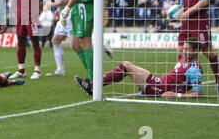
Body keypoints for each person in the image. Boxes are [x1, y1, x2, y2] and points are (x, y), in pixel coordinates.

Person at [74, 37, 203, 98]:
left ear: (196, 50)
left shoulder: (195, 69)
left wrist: (176, 95)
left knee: (126, 66)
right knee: (126, 66)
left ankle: (92, 86)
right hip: (159, 82)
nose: (183, 51)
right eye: (184, 48)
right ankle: (94, 85)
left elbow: (198, 94)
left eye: (187, 49)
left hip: (159, 89)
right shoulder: (184, 58)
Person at [9, 0, 56, 80]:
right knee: (20, 42)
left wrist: (44, 0)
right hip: (20, 16)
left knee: (35, 42)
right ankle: (21, 70)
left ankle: (37, 70)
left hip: (32, 16)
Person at [178, 0, 219, 90]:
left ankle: (218, 80)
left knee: (208, 53)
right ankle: (190, 82)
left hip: (199, 21)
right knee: (182, 52)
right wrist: (175, 13)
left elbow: (205, 1)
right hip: (186, 23)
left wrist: (188, 11)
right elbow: (181, 5)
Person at [44, 0, 73, 76]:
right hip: (64, 15)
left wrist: (53, 4)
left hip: (70, 14)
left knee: (80, 42)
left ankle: (102, 46)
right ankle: (60, 70)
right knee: (55, 40)